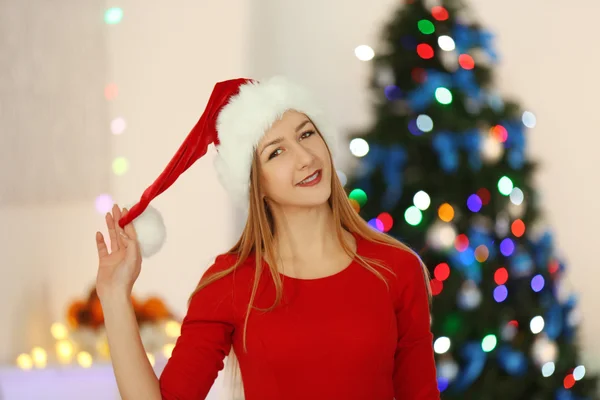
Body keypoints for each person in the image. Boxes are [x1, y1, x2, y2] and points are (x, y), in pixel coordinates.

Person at [95, 76, 440, 400]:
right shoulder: (230, 282)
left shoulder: (396, 268)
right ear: (254, 184)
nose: (306, 158)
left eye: (306, 134)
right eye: (276, 152)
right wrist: (114, 294)